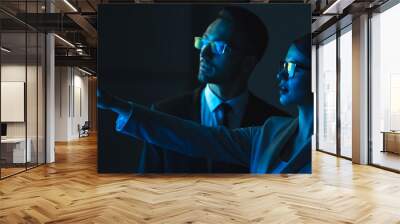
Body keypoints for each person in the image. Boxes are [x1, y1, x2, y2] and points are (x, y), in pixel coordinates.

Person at [98, 34, 312, 174]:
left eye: (292, 66)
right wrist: (121, 107)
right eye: (283, 64)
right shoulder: (271, 130)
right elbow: (196, 137)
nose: (280, 74)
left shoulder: (335, 149)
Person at [139, 6, 288, 173]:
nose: (204, 53)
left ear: (248, 63)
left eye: (218, 46)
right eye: (203, 41)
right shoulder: (164, 114)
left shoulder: (277, 128)